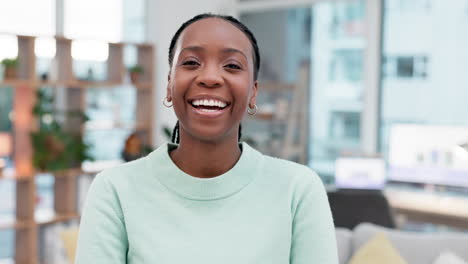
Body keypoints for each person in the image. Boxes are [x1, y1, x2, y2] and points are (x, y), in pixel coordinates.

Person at [75, 13, 338, 264]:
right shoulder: (115, 190)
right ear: (169, 85)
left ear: (253, 93)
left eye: (232, 66)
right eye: (191, 62)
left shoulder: (298, 190)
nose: (210, 78)